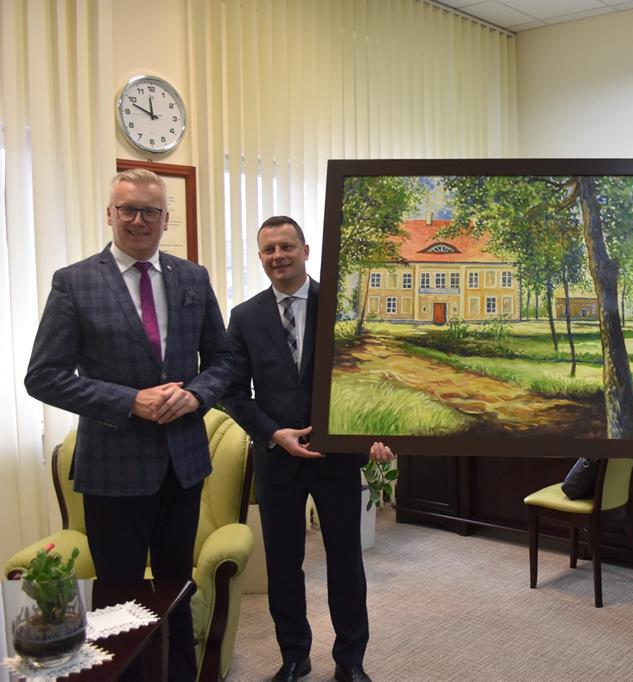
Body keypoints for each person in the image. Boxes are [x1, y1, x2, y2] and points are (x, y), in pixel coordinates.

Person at [24, 168, 235, 680]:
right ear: (110, 214)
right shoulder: (74, 282)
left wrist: (194, 395)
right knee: (119, 600)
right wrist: (128, 401)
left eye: (150, 211)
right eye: (128, 210)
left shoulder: (193, 278)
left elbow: (224, 362)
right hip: (112, 472)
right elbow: (43, 377)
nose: (139, 220)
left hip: (183, 467)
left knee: (177, 588)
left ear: (166, 218)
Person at [222, 216, 393, 682]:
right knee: (283, 565)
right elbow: (233, 393)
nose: (278, 256)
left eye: (286, 246)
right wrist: (273, 432)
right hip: (276, 459)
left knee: (346, 562)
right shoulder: (244, 317)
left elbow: (366, 380)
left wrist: (377, 433)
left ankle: (350, 660)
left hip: (336, 460)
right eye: (268, 249)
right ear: (261, 257)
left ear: (305, 250)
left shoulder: (340, 308)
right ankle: (295, 657)